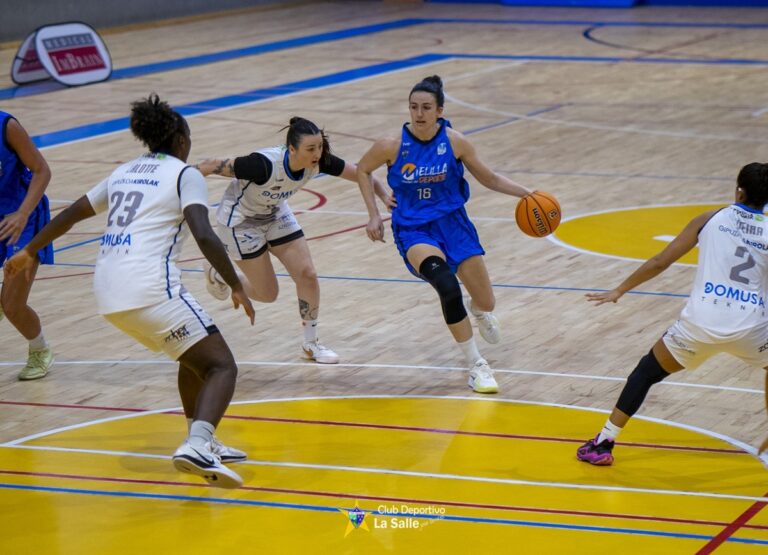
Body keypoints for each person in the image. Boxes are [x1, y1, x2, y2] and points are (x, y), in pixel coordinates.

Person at [5, 94, 255, 489]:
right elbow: (204, 233)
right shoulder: (183, 173)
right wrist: (237, 283)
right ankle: (197, 443)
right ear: (180, 139)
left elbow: (70, 214)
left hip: (108, 293)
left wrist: (27, 250)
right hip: (150, 287)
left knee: (190, 357)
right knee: (222, 366)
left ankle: (203, 436)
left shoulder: (124, 171)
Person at [577, 162, 768, 466]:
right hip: (751, 328)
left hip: (700, 324)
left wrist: (620, 290)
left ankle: (604, 443)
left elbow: (660, 261)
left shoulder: (710, 219)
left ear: (739, 191)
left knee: (645, 373)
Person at [356, 75, 533, 394]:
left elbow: (490, 178)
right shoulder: (391, 145)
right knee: (447, 287)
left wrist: (528, 194)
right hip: (414, 228)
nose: (419, 113)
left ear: (440, 110)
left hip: (454, 224)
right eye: (413, 107)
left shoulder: (456, 142)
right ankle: (477, 365)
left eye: (426, 107)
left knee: (486, 301)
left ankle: (479, 311)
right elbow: (362, 169)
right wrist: (375, 209)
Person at [195, 117, 391, 364]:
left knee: (307, 274)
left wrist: (384, 196)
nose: (318, 154)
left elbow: (362, 172)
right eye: (311, 149)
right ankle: (220, 273)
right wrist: (176, 188)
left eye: (319, 147)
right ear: (291, 150)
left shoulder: (319, 162)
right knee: (268, 294)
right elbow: (210, 165)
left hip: (275, 213)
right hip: (240, 222)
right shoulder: (262, 165)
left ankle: (311, 343)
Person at [0, 111, 55, 380]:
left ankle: (40, 349)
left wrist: (22, 213)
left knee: (12, 306)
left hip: (21, 217)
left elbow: (42, 170)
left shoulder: (7, 125)